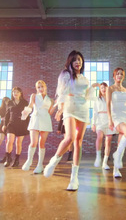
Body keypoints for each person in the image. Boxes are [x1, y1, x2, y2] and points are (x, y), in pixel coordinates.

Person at [43, 50, 99, 191]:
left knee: (78, 142)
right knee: (69, 137)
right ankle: (53, 161)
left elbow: (86, 95)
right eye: (74, 60)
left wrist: (93, 88)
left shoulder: (84, 79)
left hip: (83, 110)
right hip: (70, 108)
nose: (77, 62)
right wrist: (60, 109)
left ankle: (74, 178)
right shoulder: (65, 75)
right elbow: (62, 93)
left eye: (79, 60)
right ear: (70, 62)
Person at [106, 67, 126, 178]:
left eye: (121, 74)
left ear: (123, 77)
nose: (119, 76)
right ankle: (116, 155)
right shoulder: (110, 88)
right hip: (116, 117)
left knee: (121, 144)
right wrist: (109, 119)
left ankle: (116, 170)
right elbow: (108, 104)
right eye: (117, 74)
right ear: (114, 76)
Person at [21, 80, 55, 174]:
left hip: (45, 120)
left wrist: (55, 105)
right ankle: (29, 161)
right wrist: (25, 112)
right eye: (38, 87)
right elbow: (30, 105)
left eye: (42, 86)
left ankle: (40, 165)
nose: (40, 89)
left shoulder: (50, 100)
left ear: (45, 87)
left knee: (42, 144)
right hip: (35, 118)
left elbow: (50, 113)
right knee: (33, 142)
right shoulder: (34, 96)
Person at [2, 87, 30, 167]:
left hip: (21, 124)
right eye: (14, 92)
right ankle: (8, 159)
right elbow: (7, 115)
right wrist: (4, 124)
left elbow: (27, 115)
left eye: (17, 92)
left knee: (18, 143)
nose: (15, 93)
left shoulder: (25, 102)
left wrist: (27, 125)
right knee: (9, 141)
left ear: (20, 93)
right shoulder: (10, 102)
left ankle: (17, 160)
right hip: (11, 124)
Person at [92, 82, 116, 170]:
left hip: (109, 120)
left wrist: (114, 122)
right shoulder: (97, 99)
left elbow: (114, 111)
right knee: (99, 136)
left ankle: (105, 162)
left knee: (108, 141)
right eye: (101, 88)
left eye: (105, 87)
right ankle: (98, 157)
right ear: (100, 89)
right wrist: (93, 123)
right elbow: (94, 112)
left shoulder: (111, 99)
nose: (103, 89)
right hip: (100, 120)